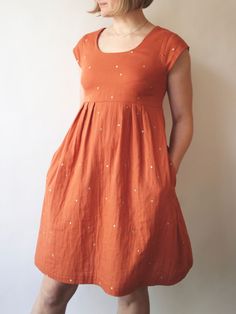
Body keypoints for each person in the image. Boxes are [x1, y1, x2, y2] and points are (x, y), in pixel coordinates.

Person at [31, 0, 193, 313]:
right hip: (78, 177)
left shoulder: (169, 47)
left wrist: (166, 173)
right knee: (53, 292)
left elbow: (184, 119)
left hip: (134, 182)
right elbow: (89, 115)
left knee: (129, 289)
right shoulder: (86, 46)